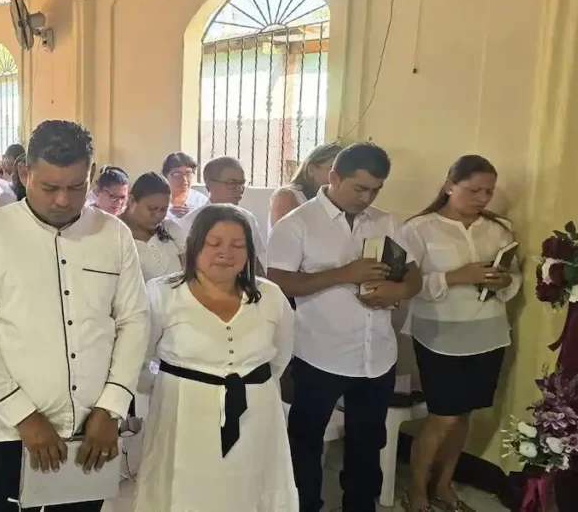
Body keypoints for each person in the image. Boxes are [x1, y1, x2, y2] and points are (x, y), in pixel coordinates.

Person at [0, 120, 148, 512]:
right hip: (10, 433)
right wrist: (24, 416)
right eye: (49, 187)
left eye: (76, 187)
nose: (62, 200)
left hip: (91, 431)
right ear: (24, 173)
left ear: (91, 175)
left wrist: (111, 407)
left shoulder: (113, 235)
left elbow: (134, 321)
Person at [264, 143, 423, 512]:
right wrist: (344, 274)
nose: (366, 198)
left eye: (375, 190)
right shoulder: (298, 224)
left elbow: (414, 274)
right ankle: (305, 505)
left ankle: (359, 504)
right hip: (319, 354)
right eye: (359, 188)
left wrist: (397, 290)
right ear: (333, 177)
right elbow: (279, 284)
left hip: (376, 355)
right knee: (306, 440)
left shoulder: (386, 222)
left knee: (368, 440)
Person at [135, 204, 298, 511]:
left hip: (256, 411)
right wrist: (165, 387)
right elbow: (139, 356)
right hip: (183, 410)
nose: (226, 252)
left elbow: (280, 356)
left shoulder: (271, 296)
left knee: (252, 484)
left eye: (238, 245)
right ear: (196, 245)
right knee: (186, 487)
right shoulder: (163, 293)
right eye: (214, 243)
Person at [400, 156, 520, 512]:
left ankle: (444, 485)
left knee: (464, 416)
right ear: (450, 185)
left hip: (489, 333)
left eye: (489, 191)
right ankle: (417, 489)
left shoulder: (499, 229)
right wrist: (456, 277)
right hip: (440, 335)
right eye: (474, 190)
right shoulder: (419, 228)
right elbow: (406, 285)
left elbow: (514, 277)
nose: (483, 198)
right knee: (444, 417)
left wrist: (504, 280)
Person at [179, 157, 266, 273]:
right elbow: (185, 266)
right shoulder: (189, 222)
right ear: (209, 184)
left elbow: (255, 263)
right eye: (232, 183)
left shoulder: (248, 218)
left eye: (242, 183)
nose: (239, 189)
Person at [119, 172, 185, 282]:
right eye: (152, 209)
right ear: (131, 201)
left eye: (163, 209)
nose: (158, 216)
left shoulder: (171, 229)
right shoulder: (115, 233)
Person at [270, 143, 342, 226]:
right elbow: (284, 235)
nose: (339, 176)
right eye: (332, 169)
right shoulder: (288, 195)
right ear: (311, 170)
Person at [162, 152, 208, 220]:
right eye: (177, 174)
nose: (184, 179)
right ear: (165, 176)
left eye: (188, 173)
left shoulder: (201, 201)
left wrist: (190, 216)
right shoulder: (157, 200)